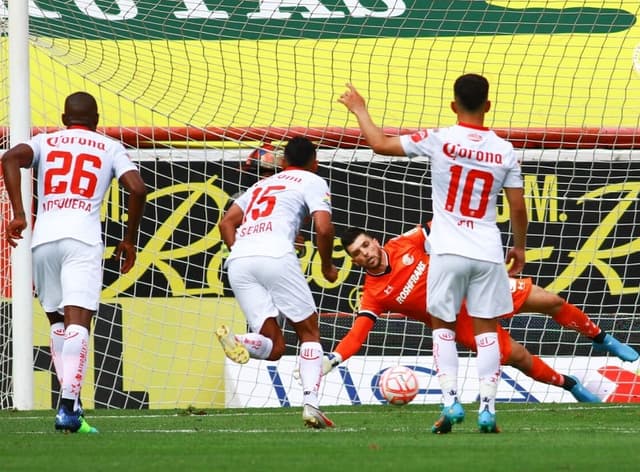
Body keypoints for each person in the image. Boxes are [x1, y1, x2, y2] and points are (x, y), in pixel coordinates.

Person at [339, 74, 529, 433]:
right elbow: (517, 208)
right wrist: (518, 247)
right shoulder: (505, 150)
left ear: (454, 105)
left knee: (443, 326)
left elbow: (379, 144)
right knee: (487, 330)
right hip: (487, 249)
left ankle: (450, 402)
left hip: (447, 249)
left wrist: (360, 109)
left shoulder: (439, 139)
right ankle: (487, 409)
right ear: (488, 106)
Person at [322, 226, 639, 420]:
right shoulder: (374, 294)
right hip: (458, 321)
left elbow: (441, 223)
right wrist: (332, 360)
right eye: (357, 254)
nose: (365, 254)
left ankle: (604, 340)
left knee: (550, 301)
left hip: (478, 289)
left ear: (375, 242)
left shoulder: (404, 244)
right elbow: (358, 333)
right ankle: (570, 385)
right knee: (518, 357)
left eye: (365, 246)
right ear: (355, 261)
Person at [1, 91, 147, 433]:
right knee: (79, 321)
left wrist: (19, 214)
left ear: (65, 118)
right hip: (82, 239)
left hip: (44, 240)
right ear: (96, 119)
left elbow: (9, 158)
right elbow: (137, 189)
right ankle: (68, 406)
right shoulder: (109, 146)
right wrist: (128, 239)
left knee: (58, 324)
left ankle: (72, 403)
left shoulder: (44, 141)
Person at [217, 136, 338, 429]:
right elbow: (323, 227)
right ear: (315, 163)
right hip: (276, 255)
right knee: (309, 333)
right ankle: (311, 404)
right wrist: (326, 264)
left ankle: (240, 340)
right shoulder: (312, 180)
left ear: (282, 162)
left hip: (240, 259)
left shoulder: (259, 185)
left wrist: (245, 251)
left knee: (275, 348)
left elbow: (225, 223)